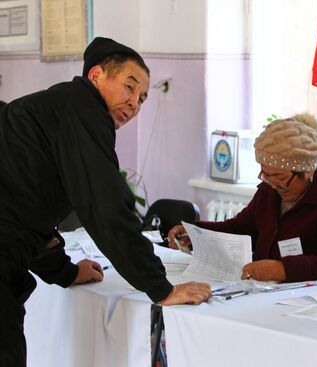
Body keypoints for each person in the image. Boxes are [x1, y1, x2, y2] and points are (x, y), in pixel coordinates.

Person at [0, 37, 211, 366]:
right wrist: (162, 289)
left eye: (142, 99)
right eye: (129, 87)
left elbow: (24, 212)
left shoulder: (59, 108)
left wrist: (66, 273)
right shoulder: (83, 107)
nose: (134, 105)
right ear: (96, 75)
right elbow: (106, 207)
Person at [168, 113, 317, 284]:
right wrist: (196, 234)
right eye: (266, 175)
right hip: (270, 294)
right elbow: (240, 229)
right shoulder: (269, 193)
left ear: (308, 171)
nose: (273, 184)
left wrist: (282, 269)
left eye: (280, 177)